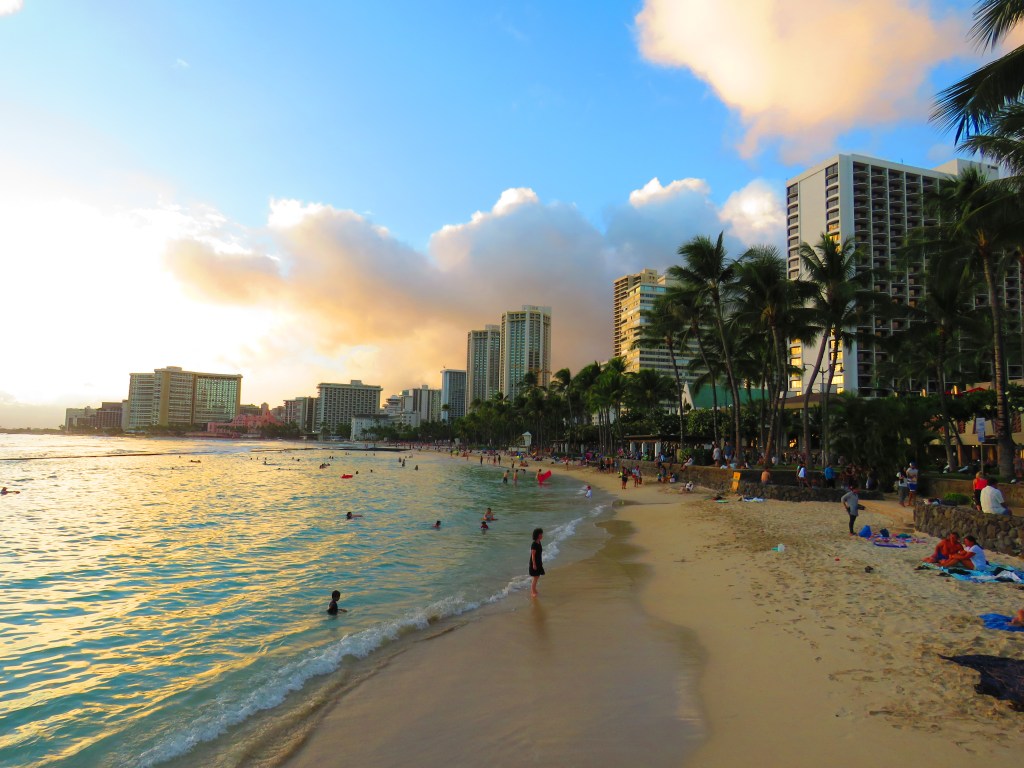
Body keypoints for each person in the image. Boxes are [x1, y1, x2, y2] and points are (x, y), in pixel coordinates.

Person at [529, 527, 544, 597]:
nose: (542, 535)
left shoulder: (539, 542)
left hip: (538, 562)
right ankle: (532, 592)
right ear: (537, 535)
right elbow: (533, 555)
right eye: (541, 534)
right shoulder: (534, 544)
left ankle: (534, 589)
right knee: (535, 577)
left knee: (537, 576)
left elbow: (539, 554)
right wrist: (534, 564)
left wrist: (540, 562)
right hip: (534, 563)